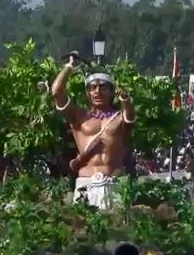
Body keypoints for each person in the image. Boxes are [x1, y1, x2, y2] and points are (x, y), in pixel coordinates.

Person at [50, 52, 135, 209]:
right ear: (87, 92)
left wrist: (126, 101)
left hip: (115, 184)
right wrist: (69, 67)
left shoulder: (119, 118)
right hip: (86, 183)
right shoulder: (79, 117)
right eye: (92, 88)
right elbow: (57, 92)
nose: (97, 92)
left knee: (118, 231)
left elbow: (129, 118)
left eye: (103, 88)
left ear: (111, 91)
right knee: (83, 230)